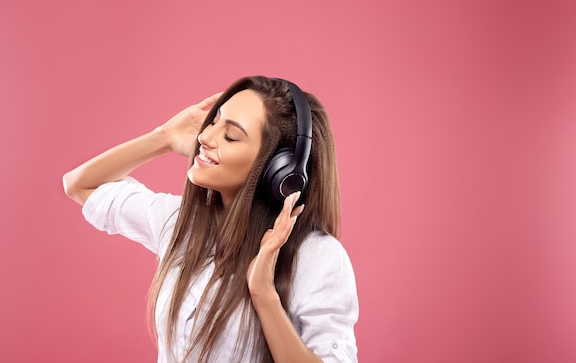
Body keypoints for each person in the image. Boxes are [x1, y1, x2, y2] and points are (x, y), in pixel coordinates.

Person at [62, 76, 358, 363]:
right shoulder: (181, 223)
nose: (204, 137)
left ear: (279, 170)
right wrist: (163, 137)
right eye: (213, 121)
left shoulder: (317, 257)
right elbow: (79, 185)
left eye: (230, 136)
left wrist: (263, 293)